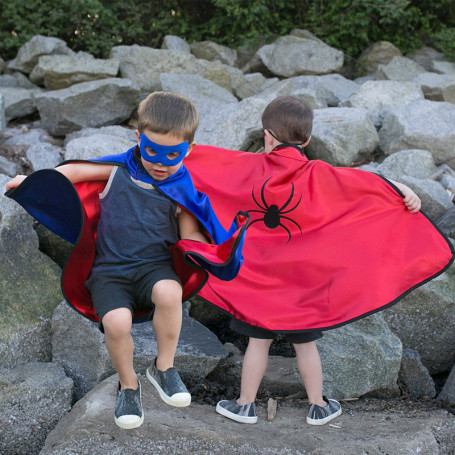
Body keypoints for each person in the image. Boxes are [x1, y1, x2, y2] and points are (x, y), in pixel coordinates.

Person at [209, 96, 422, 425]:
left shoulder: (250, 168)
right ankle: (318, 406)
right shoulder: (319, 173)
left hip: (259, 283)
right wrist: (403, 188)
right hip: (304, 287)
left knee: (257, 342)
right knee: (306, 347)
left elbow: (213, 167)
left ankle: (244, 405)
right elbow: (363, 184)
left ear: (266, 136)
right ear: (307, 140)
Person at [6, 92, 210, 430]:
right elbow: (72, 172)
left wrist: (211, 250)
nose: (160, 163)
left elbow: (190, 235)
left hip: (154, 269)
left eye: (172, 155)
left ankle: (164, 367)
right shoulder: (118, 171)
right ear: (138, 140)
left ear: (188, 149)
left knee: (170, 293)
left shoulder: (182, 188)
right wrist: (32, 181)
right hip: (109, 272)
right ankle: (129, 385)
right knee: (116, 323)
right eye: (151, 151)